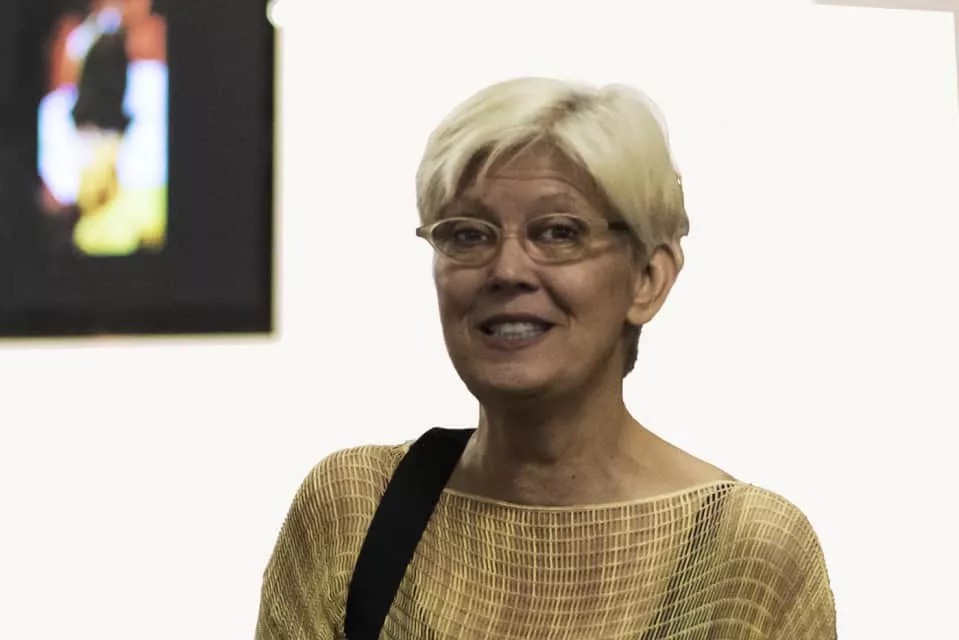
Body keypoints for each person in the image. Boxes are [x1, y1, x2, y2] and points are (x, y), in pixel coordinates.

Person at [254, 77, 837, 639]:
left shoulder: (745, 555)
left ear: (648, 279)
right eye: (467, 234)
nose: (508, 270)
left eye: (558, 232)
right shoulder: (355, 513)